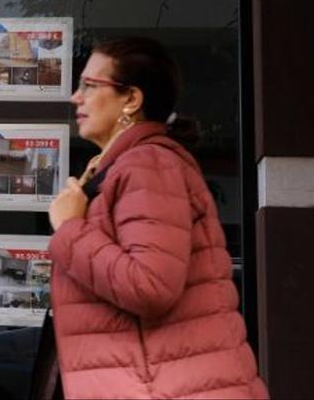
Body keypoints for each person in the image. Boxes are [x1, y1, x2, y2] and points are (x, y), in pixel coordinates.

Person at [44, 37, 268, 399]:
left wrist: (71, 228)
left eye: (89, 85)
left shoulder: (147, 164)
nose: (76, 96)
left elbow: (150, 286)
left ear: (131, 99)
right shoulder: (125, 166)